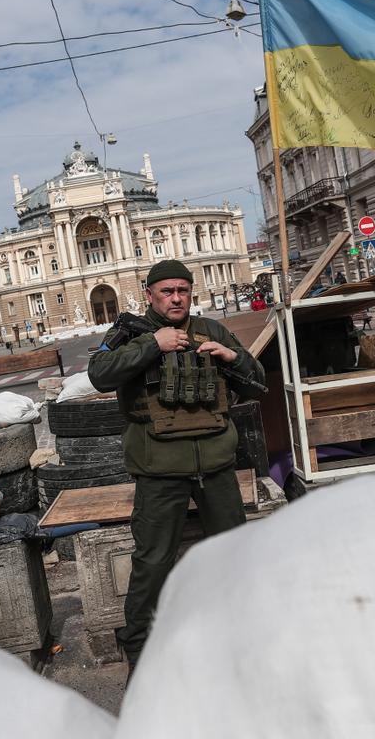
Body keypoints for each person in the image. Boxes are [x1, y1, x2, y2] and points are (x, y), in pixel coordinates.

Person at [88, 259, 266, 673]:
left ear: (191, 292)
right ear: (149, 293)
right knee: (152, 561)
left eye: (182, 290)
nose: (176, 298)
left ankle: (241, 633)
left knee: (234, 554)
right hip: (159, 468)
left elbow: (258, 381)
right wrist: (154, 344)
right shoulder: (131, 332)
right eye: (166, 291)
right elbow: (98, 373)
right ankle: (139, 649)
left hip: (216, 465)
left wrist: (230, 356)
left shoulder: (212, 331)